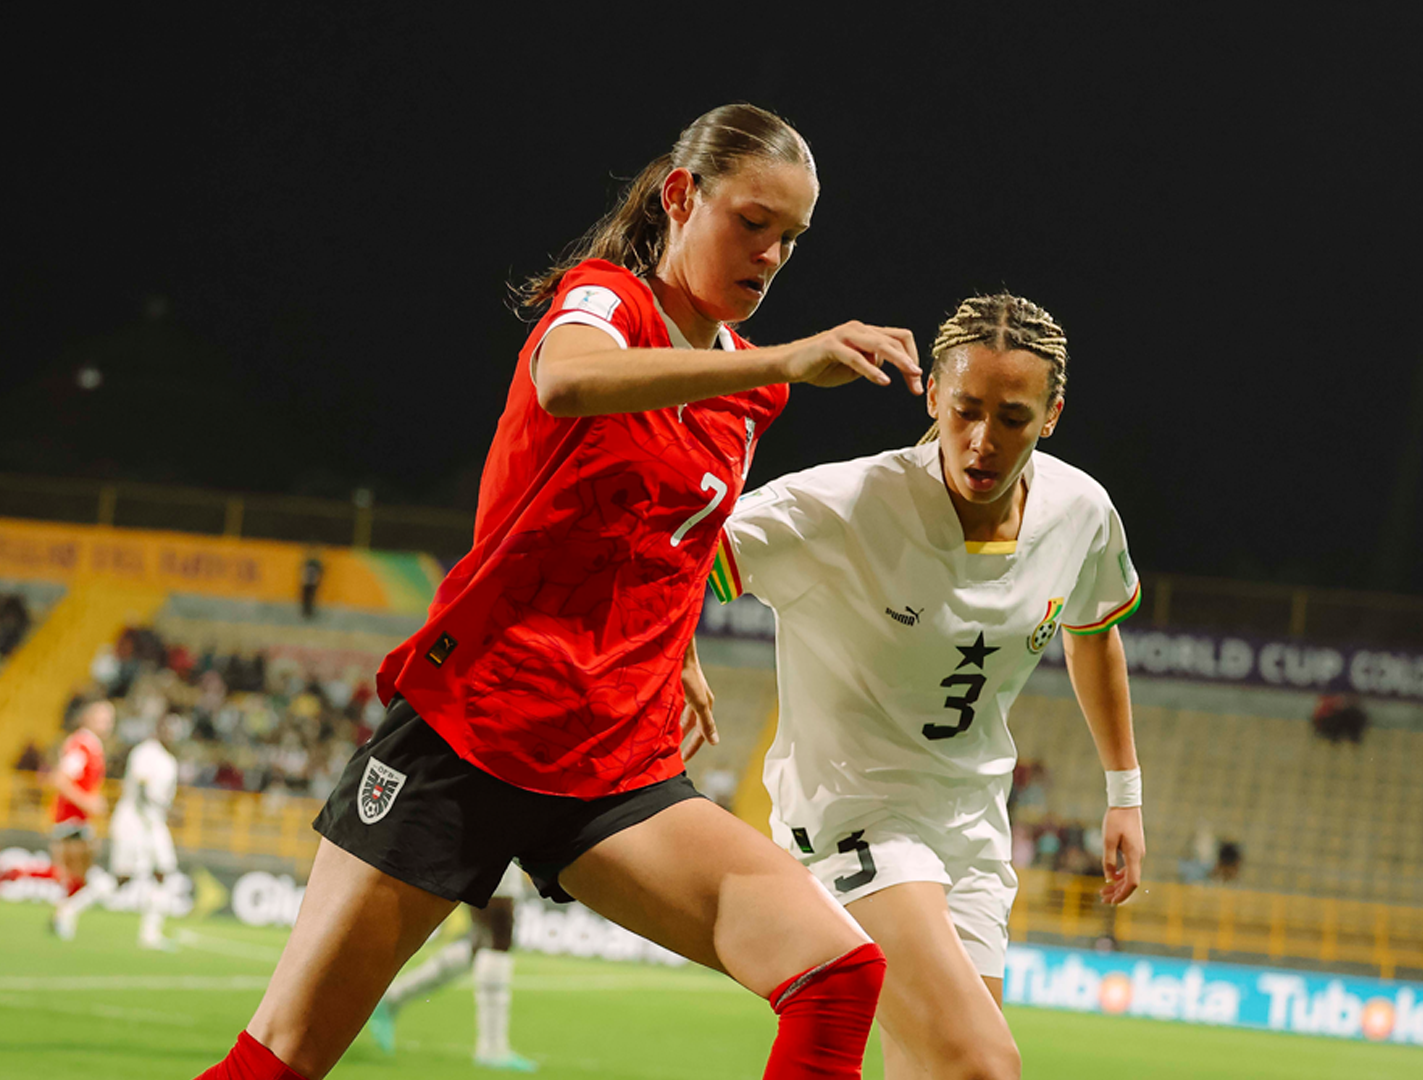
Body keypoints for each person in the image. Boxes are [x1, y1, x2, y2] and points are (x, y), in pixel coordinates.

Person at [195, 103, 927, 1080]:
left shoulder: (753, 393)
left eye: (791, 240)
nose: (770, 255)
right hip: (473, 732)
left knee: (836, 973)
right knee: (278, 1061)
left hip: (612, 765)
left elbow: (669, 531)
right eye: (752, 223)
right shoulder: (605, 302)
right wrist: (788, 356)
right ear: (682, 195)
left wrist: (686, 655)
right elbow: (567, 382)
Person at [707, 294, 1147, 1080]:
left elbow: (1094, 631)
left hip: (971, 830)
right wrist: (674, 656)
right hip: (853, 816)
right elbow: (679, 554)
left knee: (934, 1069)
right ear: (935, 397)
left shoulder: (1080, 512)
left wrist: (1125, 792)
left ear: (1051, 416)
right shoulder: (845, 505)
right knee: (981, 1064)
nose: (983, 441)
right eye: (966, 410)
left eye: (1011, 417)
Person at [366, 865, 534, 1071]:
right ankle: (492, 1048)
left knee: (481, 941)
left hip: (483, 843)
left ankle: (392, 998)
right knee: (499, 934)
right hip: (495, 841)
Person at [110, 718, 180, 949]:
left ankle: (150, 933)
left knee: (164, 871)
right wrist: (149, 817)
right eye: (166, 729)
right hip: (135, 820)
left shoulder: (170, 761)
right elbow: (140, 788)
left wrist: (167, 813)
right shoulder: (146, 752)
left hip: (154, 821)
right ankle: (70, 910)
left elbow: (163, 796)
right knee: (122, 878)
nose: (169, 734)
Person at [48, 700, 112, 942]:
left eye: (109, 719)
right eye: (102, 718)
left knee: (80, 879)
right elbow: (60, 779)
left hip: (78, 822)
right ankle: (64, 916)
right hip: (70, 822)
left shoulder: (92, 747)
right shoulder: (82, 746)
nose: (107, 724)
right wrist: (88, 802)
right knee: (84, 879)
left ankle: (64, 917)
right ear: (88, 718)